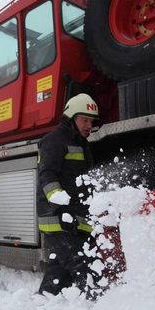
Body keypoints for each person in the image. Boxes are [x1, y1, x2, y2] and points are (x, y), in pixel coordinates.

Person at [36, 93, 103, 299]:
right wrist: (58, 199)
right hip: (57, 217)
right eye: (84, 119)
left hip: (75, 217)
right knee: (82, 261)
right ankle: (98, 306)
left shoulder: (83, 144)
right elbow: (47, 173)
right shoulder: (54, 140)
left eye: (91, 121)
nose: (89, 125)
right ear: (71, 117)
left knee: (60, 267)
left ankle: (45, 297)